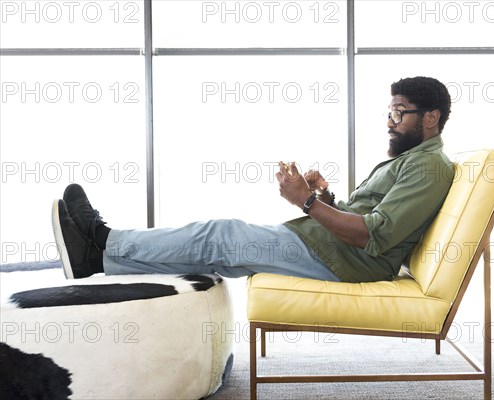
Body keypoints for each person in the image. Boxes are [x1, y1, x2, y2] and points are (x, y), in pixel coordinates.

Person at [52, 76, 454, 283]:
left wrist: (306, 203)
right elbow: (365, 217)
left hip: (345, 261)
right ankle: (95, 260)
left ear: (431, 117)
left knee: (220, 235)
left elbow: (372, 236)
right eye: (389, 112)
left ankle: (103, 238)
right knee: (218, 251)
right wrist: (323, 194)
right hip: (332, 248)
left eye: (399, 113)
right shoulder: (414, 159)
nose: (390, 122)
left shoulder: (428, 166)